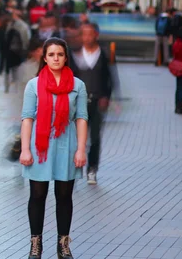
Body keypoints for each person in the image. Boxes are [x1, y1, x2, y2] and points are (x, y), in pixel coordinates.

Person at [20, 37, 88, 259]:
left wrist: (80, 149)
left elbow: (81, 118)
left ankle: (63, 245)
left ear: (66, 57)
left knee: (64, 195)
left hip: (66, 145)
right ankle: (35, 245)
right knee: (37, 194)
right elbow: (27, 118)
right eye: (51, 55)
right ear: (45, 58)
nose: (55, 58)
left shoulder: (78, 85)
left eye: (59, 54)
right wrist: (25, 149)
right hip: (40, 146)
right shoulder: (33, 85)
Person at [69, 23, 117, 185]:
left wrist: (107, 96)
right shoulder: (74, 54)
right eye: (84, 34)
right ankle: (75, 168)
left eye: (90, 34)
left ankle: (92, 169)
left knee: (95, 137)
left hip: (97, 101)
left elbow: (110, 78)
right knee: (76, 138)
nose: (87, 37)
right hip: (78, 103)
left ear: (96, 35)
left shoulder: (103, 54)